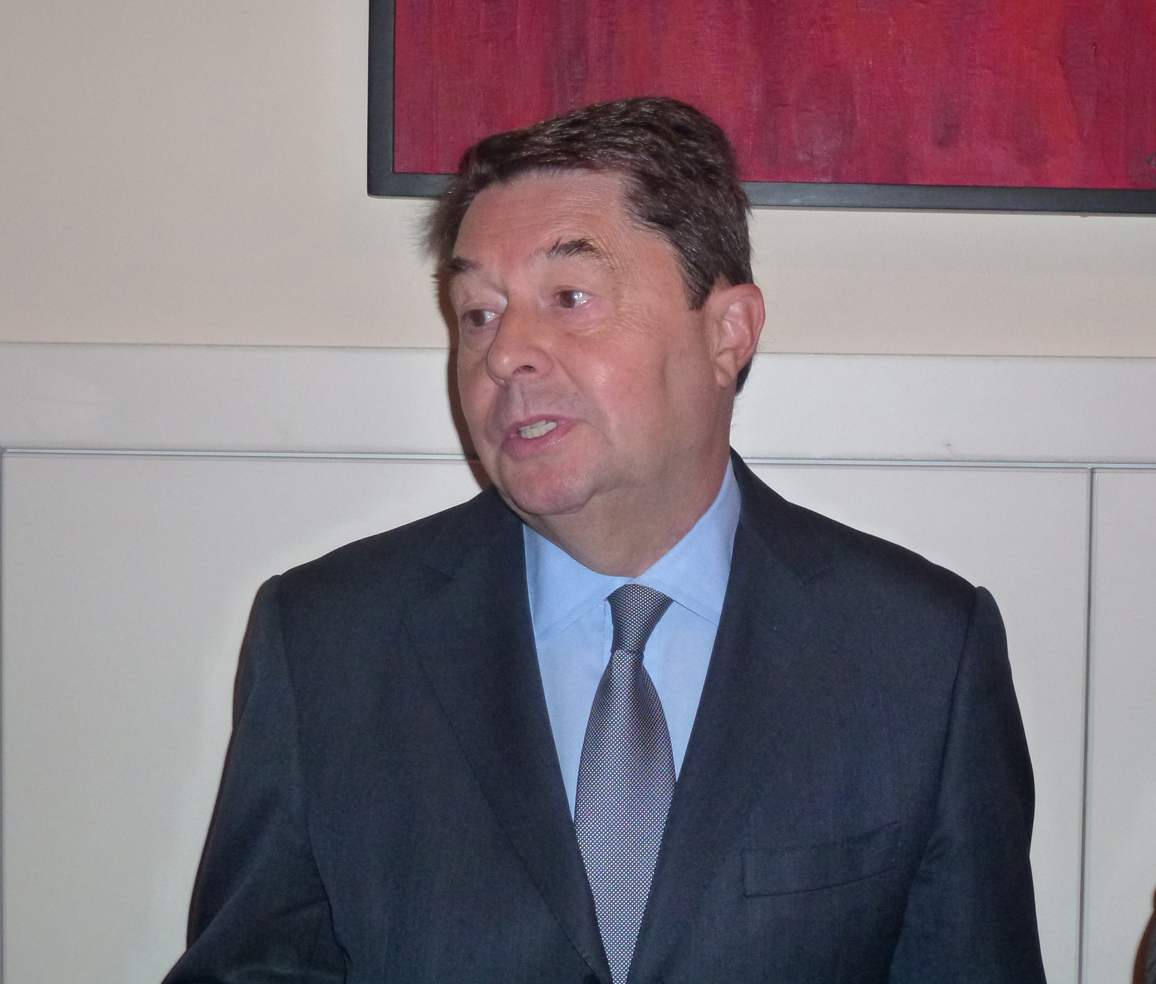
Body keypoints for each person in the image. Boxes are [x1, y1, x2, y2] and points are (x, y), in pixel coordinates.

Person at [163, 97, 1046, 983]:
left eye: (569, 298)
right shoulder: (329, 641)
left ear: (727, 333)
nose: (505, 353)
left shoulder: (918, 653)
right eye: (477, 313)